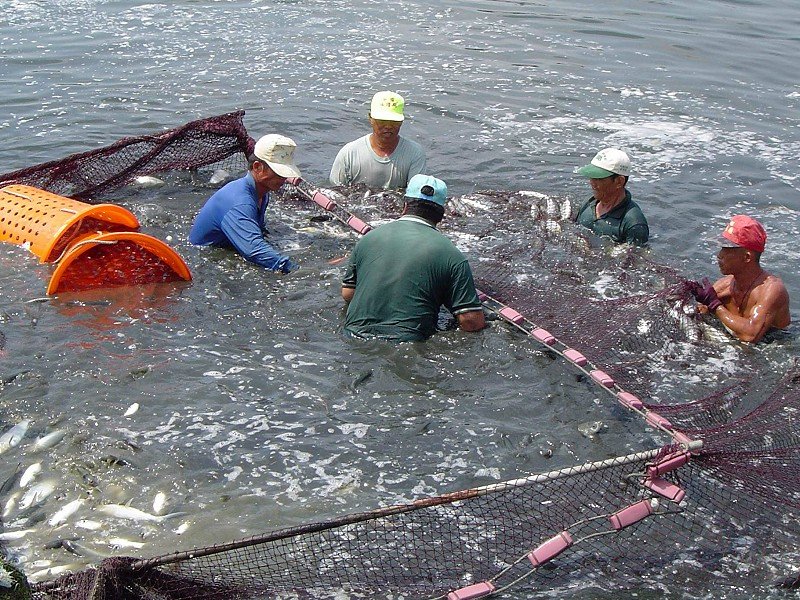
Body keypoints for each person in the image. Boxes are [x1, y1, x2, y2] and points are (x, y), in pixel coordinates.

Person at [341, 174, 486, 342]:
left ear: (405, 206)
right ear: (441, 215)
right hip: (409, 343)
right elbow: (471, 322)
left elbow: (348, 293)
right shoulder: (452, 256)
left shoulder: (368, 239)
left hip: (354, 337)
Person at [189, 134, 301, 273]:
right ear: (257, 167)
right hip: (202, 259)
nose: (284, 177)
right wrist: (296, 270)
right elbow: (253, 250)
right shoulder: (240, 202)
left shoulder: (261, 192)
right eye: (279, 173)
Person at [692, 215, 790, 343]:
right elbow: (702, 308)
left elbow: (751, 335)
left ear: (747, 257)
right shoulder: (725, 285)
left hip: (778, 342)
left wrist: (716, 306)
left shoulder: (772, 290)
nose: (719, 255)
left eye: (726, 249)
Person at [330, 91, 426, 190]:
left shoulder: (415, 154)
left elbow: (416, 194)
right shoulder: (349, 154)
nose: (388, 126)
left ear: (401, 121)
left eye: (394, 122)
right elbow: (335, 192)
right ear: (370, 118)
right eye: (382, 121)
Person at [574, 148, 649, 245]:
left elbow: (635, 253)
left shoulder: (633, 223)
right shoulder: (588, 203)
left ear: (619, 181)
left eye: (598, 178)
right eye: (591, 177)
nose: (592, 183)